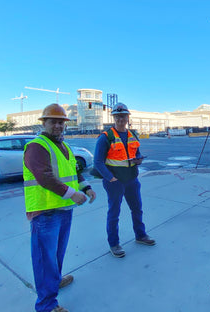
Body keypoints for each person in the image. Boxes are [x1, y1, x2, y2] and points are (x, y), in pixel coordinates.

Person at [24, 104, 96, 312]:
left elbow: (75, 173)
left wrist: (87, 188)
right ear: (44, 123)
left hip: (64, 209)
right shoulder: (37, 146)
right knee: (45, 259)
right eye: (53, 121)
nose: (58, 125)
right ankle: (46, 305)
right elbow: (45, 178)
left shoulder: (64, 146)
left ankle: (55, 281)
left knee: (57, 254)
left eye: (61, 122)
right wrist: (73, 194)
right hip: (45, 212)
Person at [94, 102, 155, 258]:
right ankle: (114, 244)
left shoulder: (132, 135)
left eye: (124, 116)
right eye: (118, 116)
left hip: (132, 179)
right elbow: (98, 162)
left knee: (137, 209)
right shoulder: (106, 137)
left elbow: (136, 153)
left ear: (128, 117)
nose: (121, 119)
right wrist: (111, 178)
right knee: (114, 213)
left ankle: (140, 235)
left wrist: (138, 160)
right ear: (114, 117)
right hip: (115, 182)